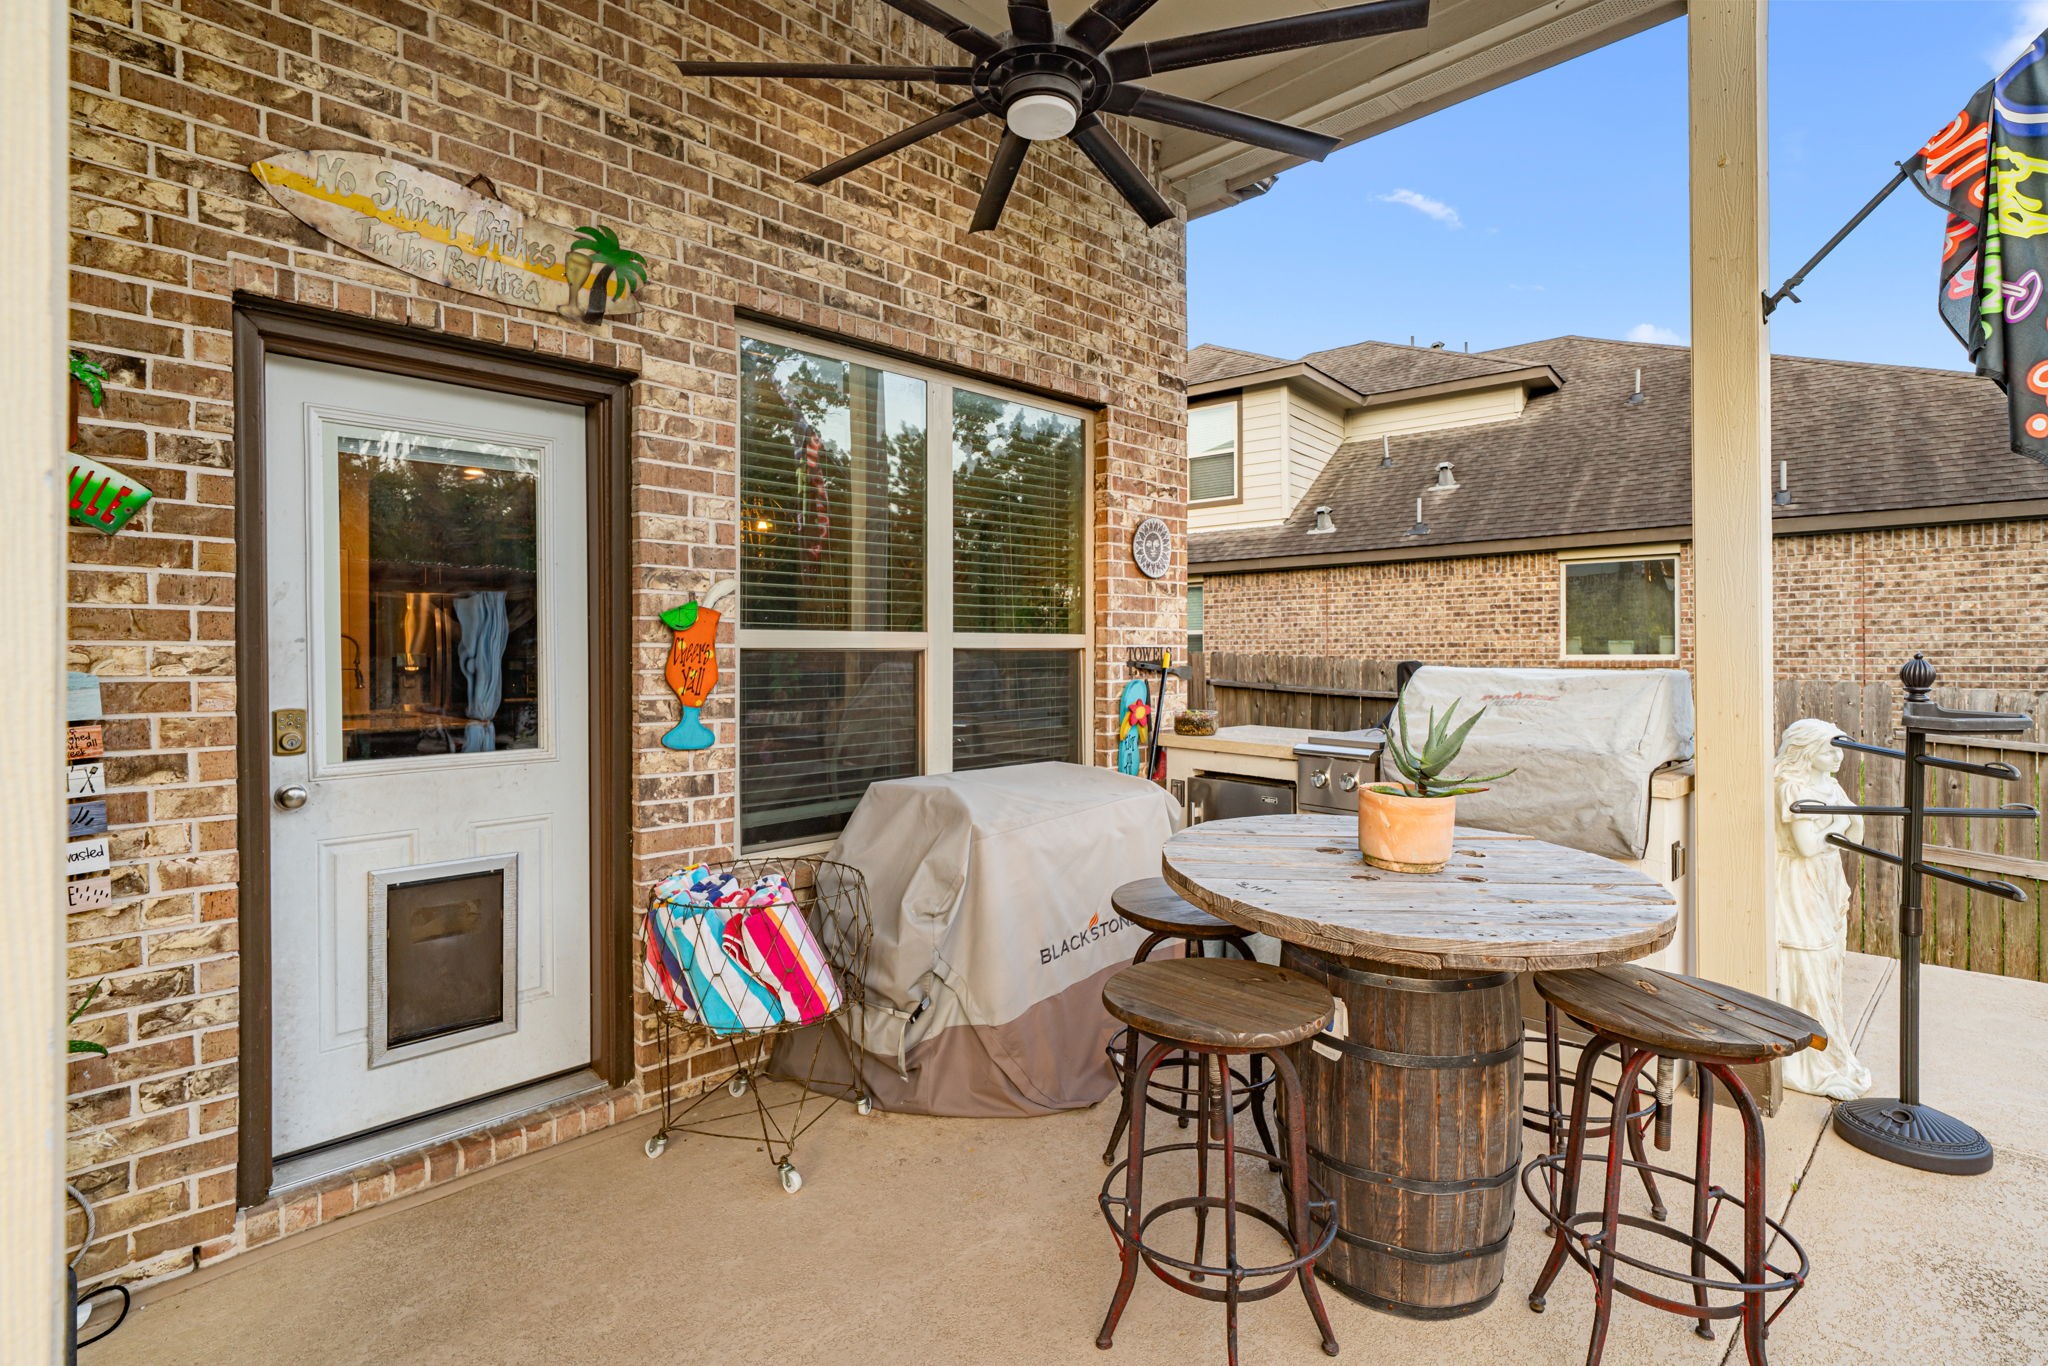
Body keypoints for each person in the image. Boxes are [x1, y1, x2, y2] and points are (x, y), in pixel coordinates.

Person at [1772, 719, 1873, 1100]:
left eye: (1839, 748)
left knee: (1828, 963)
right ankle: (1803, 1055)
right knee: (1806, 961)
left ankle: (1827, 1045)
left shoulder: (1828, 784)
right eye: (1829, 749)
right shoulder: (1792, 787)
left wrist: (1841, 819)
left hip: (1825, 880)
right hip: (1798, 883)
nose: (1838, 757)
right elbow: (1807, 847)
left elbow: (1856, 835)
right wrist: (1840, 817)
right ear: (1807, 751)